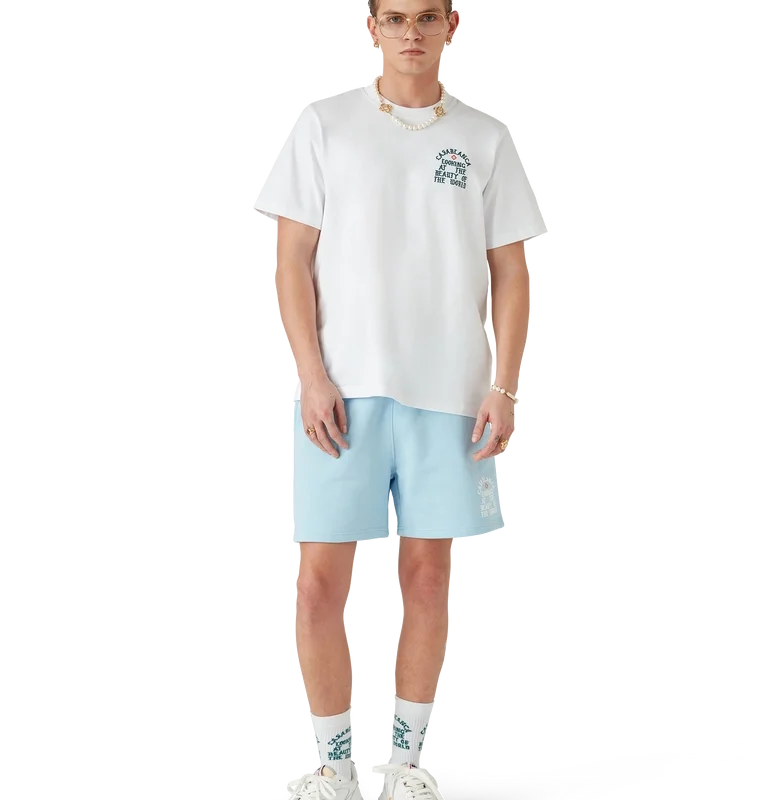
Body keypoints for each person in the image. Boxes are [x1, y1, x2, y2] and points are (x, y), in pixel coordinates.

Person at [255, 1, 547, 796]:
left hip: (450, 392)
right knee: (320, 581)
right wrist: (311, 375)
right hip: (340, 392)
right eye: (394, 18)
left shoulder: (487, 137)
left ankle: (408, 764)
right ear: (370, 28)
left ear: (454, 25)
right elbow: (291, 259)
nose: (410, 33)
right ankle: (332, 766)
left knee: (425, 578)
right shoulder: (323, 124)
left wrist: (505, 385)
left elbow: (511, 271)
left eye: (425, 17)